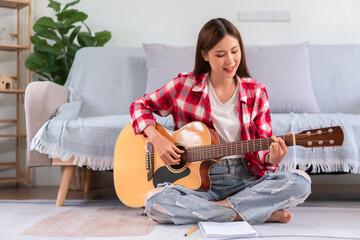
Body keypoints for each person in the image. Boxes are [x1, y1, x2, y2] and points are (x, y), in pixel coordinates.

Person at [130, 18, 311, 225]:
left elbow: (262, 156)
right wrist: (156, 138)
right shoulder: (184, 85)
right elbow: (139, 106)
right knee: (155, 203)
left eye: (235, 51)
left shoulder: (256, 92)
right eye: (220, 54)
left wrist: (272, 159)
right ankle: (250, 212)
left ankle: (222, 211)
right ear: (204, 55)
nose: (230, 61)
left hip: (245, 181)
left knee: (300, 182)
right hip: (198, 186)